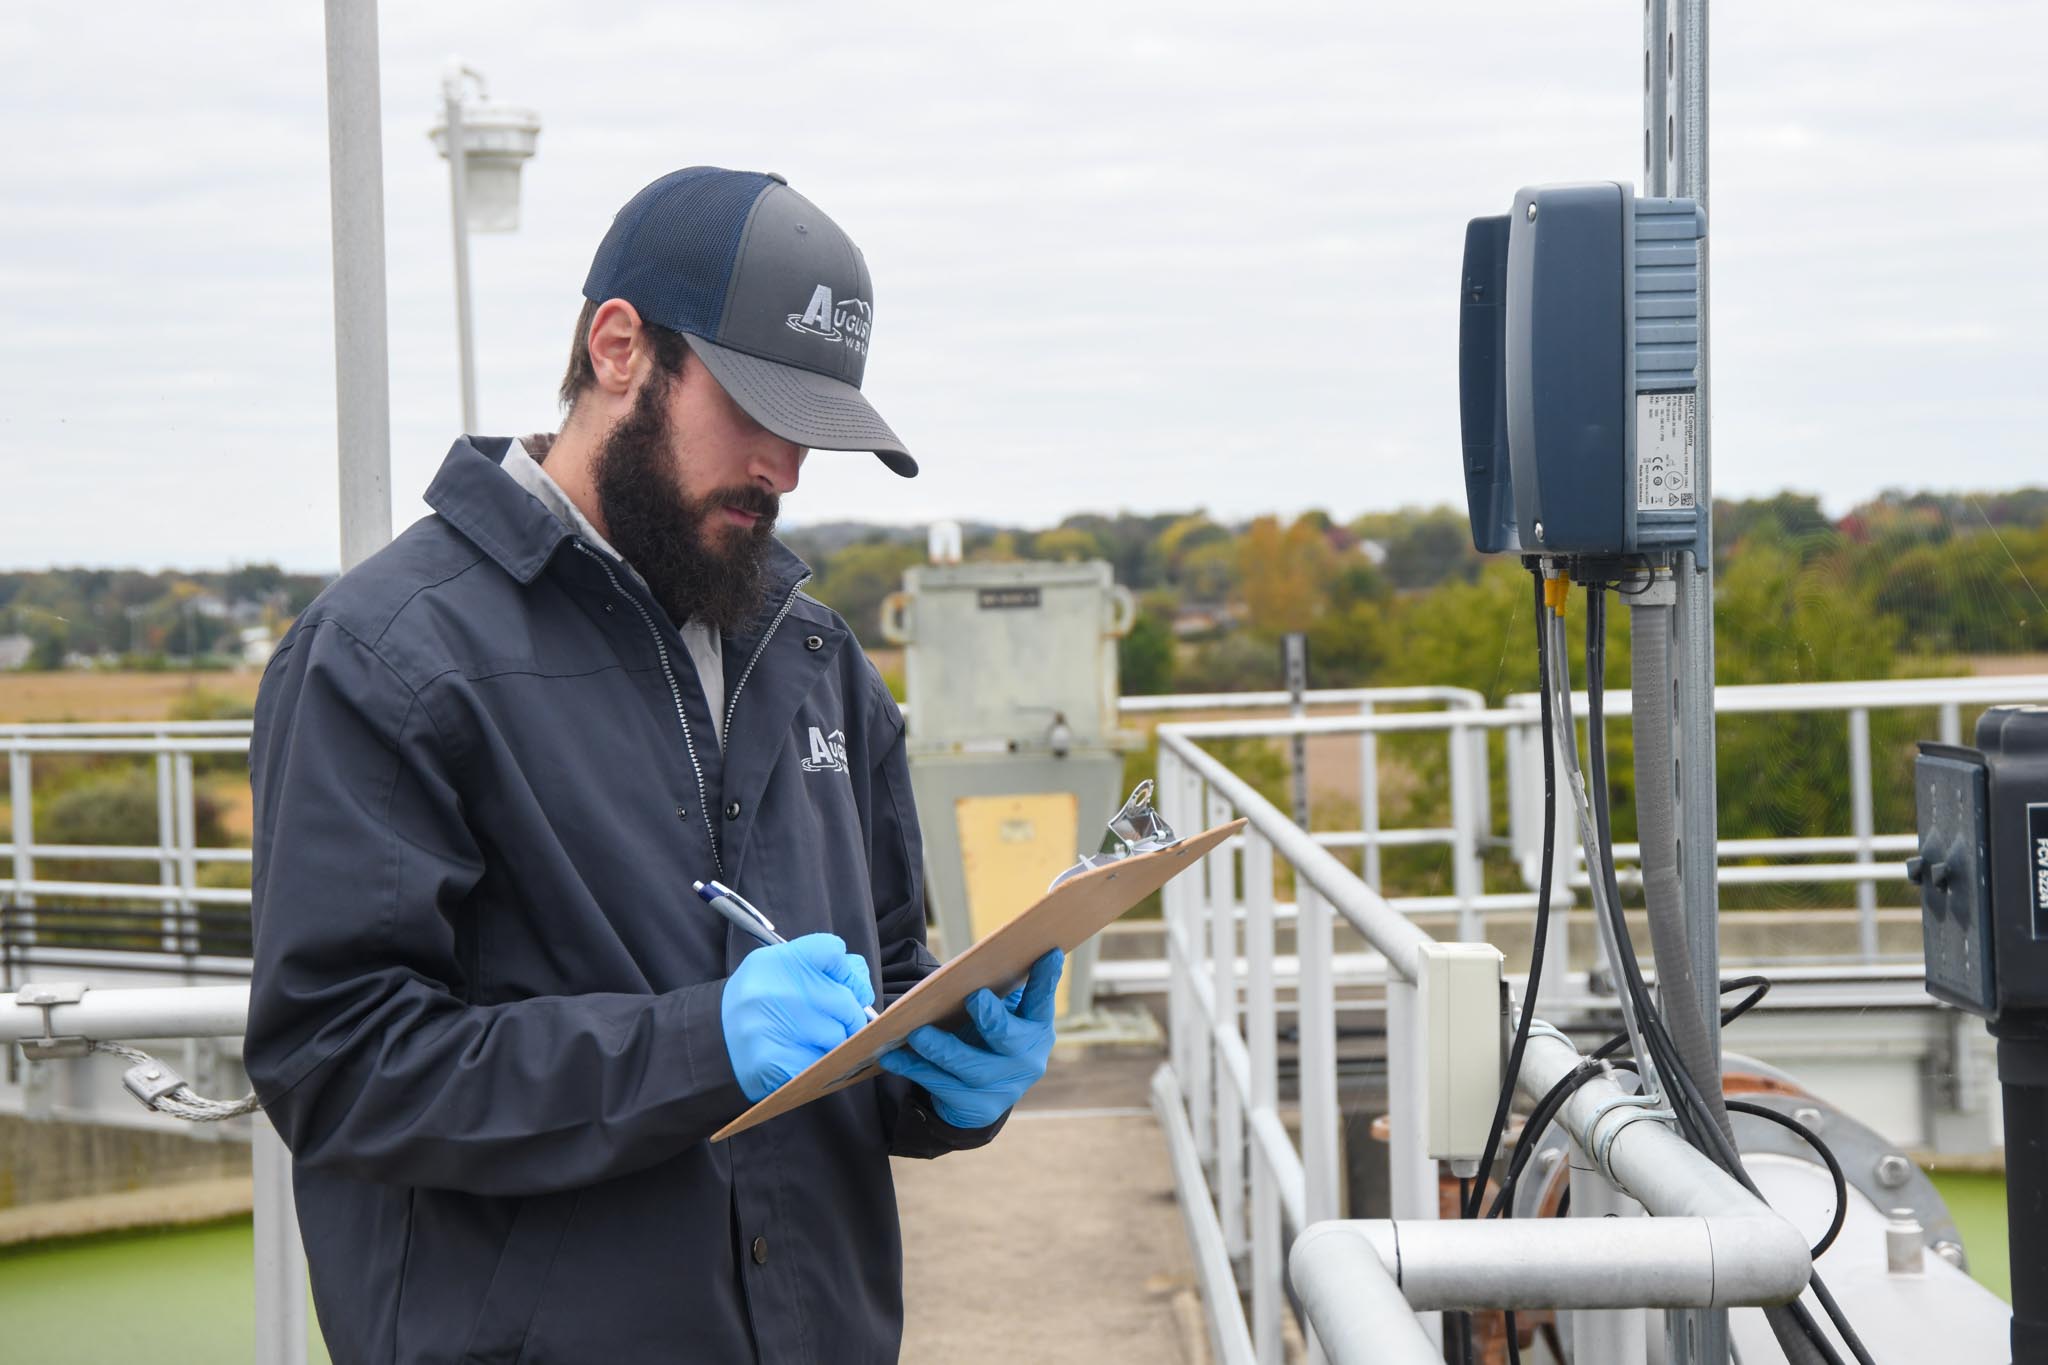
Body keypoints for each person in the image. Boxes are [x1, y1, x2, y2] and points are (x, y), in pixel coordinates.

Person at [245, 166, 1063, 1365]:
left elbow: (878, 988)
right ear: (620, 348)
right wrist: (696, 1048)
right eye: (755, 411)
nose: (783, 468)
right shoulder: (387, 658)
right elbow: (341, 1065)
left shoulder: (818, 659)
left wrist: (947, 1070)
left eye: (812, 431)